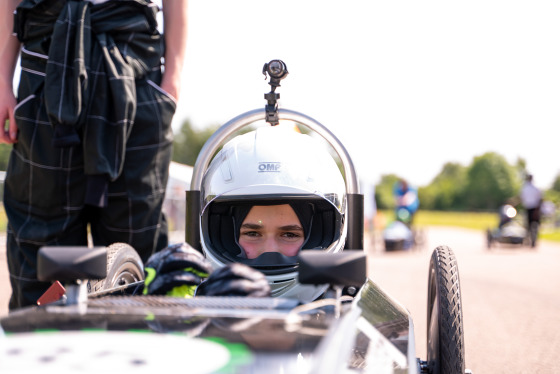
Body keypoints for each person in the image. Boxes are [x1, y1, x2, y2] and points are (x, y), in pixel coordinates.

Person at [0, 0, 188, 310]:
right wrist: (3, 77)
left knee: (135, 254)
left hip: (134, 67)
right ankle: (43, 348)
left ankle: (135, 354)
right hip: (45, 62)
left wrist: (173, 79)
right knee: (41, 247)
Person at [144, 124, 348, 302]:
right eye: (253, 233)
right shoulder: (195, 304)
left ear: (318, 236)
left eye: (289, 235)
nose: (270, 252)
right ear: (224, 236)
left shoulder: (347, 314)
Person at [520, 174, 542, 247]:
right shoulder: (527, 188)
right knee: (530, 225)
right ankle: (530, 240)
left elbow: (539, 199)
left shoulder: (531, 188)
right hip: (531, 208)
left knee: (531, 225)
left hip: (533, 208)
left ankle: (532, 240)